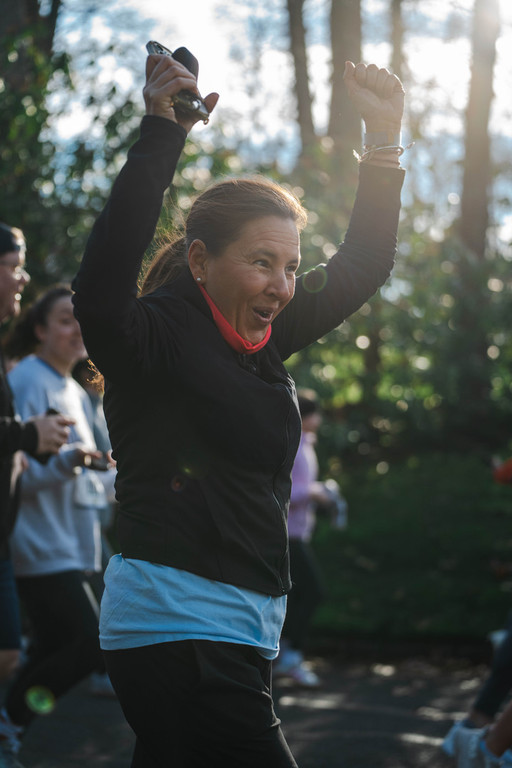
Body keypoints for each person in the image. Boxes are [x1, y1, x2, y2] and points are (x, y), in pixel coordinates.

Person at [71, 47, 406, 767]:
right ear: (200, 261)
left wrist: (383, 142)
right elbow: (98, 293)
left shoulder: (262, 335)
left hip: (239, 627)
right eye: (261, 263)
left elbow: (364, 263)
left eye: (291, 267)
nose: (282, 285)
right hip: (178, 624)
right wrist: (163, 132)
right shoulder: (154, 337)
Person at [0, 286, 111, 767]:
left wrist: (116, 477)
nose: (77, 329)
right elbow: (19, 471)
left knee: (53, 643)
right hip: (37, 540)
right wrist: (70, 462)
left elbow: (81, 473)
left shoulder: (75, 390)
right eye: (66, 319)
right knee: (90, 642)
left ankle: (9, 731)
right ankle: (9, 723)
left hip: (73, 541)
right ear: (40, 329)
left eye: (81, 318)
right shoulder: (27, 378)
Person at [0, 226, 72, 686]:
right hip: (37, 545)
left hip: (8, 538)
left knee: (9, 655)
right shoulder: (28, 375)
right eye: (14, 266)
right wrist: (30, 434)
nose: (23, 278)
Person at [273, 388, 346, 688]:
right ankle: (289, 656)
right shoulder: (293, 444)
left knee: (294, 594)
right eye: (316, 413)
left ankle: (283, 655)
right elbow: (285, 488)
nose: (320, 418)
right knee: (313, 591)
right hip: (289, 534)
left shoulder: (306, 443)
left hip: (298, 532)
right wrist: (315, 493)